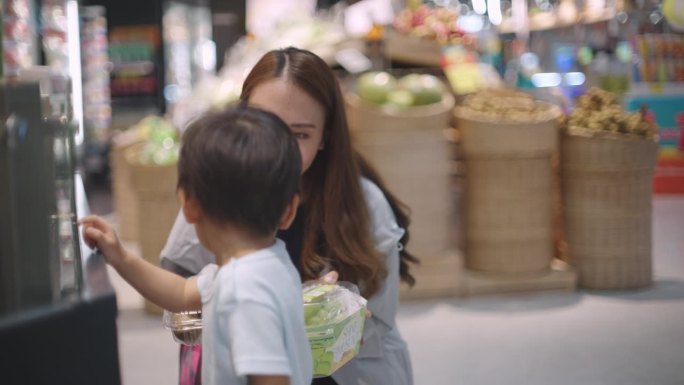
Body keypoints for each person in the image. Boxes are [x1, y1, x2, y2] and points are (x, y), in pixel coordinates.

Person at [162, 46, 418, 385]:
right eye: (265, 125)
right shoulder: (216, 193)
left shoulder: (364, 205)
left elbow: (374, 327)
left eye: (299, 134)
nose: (278, 148)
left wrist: (328, 309)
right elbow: (181, 294)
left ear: (326, 136)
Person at [81, 106, 313, 385]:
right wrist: (121, 258)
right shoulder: (268, 263)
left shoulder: (243, 289)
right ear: (289, 211)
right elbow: (180, 292)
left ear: (189, 206)